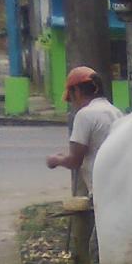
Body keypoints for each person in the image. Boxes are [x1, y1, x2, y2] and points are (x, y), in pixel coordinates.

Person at [46, 66, 123, 195]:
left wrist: (55, 160)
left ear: (76, 91)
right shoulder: (115, 112)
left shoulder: (85, 115)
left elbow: (75, 161)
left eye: (71, 98)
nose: (73, 104)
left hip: (102, 188)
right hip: (120, 184)